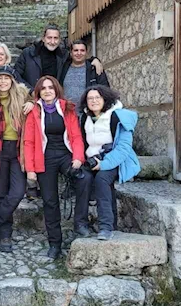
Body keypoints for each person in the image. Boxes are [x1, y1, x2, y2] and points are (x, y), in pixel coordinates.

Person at [23, 76, 86, 259]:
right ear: (39, 92)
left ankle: (80, 224)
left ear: (56, 89)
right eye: (43, 88)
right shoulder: (34, 110)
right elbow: (28, 142)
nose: (47, 91)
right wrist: (30, 169)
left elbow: (75, 136)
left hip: (65, 155)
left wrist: (78, 158)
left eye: (51, 87)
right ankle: (55, 244)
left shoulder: (67, 108)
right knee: (50, 201)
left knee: (84, 180)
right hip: (44, 158)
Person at [76, 85, 141, 240]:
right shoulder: (85, 117)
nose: (94, 101)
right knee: (82, 179)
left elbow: (124, 147)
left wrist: (104, 164)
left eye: (97, 97)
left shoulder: (118, 117)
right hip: (91, 159)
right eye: (90, 98)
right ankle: (80, 224)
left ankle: (106, 227)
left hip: (113, 160)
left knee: (102, 179)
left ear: (105, 99)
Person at [0, 65, 32, 252]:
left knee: (17, 192)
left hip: (18, 150)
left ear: (12, 80)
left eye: (6, 78)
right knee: (1, 194)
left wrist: (33, 104)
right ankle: (5, 236)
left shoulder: (23, 97)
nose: (3, 81)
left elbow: (41, 100)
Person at [14, 25, 103, 89]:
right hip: (32, 99)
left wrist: (94, 59)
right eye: (49, 38)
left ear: (59, 40)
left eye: (55, 38)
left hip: (53, 99)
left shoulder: (63, 55)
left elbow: (78, 58)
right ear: (43, 38)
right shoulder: (28, 54)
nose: (52, 41)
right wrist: (30, 91)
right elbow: (16, 75)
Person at [58, 40, 110, 106]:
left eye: (82, 50)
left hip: (88, 111)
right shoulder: (63, 68)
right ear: (71, 53)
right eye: (76, 50)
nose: (79, 53)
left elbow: (106, 90)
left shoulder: (94, 69)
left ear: (86, 53)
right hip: (67, 112)